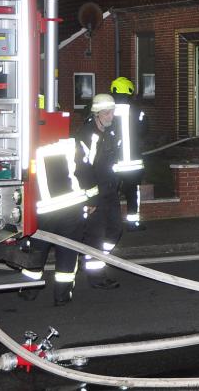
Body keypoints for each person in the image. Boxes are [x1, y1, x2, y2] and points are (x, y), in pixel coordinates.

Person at [17, 138, 90, 306]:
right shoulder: (72, 143)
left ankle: (29, 290)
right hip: (71, 207)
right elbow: (85, 171)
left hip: (43, 211)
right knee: (68, 254)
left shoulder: (28, 143)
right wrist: (92, 199)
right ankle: (62, 296)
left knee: (36, 252)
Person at [76, 93, 123, 290]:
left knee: (115, 230)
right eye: (107, 113)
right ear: (97, 114)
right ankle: (96, 277)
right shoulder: (87, 136)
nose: (111, 116)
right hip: (94, 196)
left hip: (110, 191)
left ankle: (87, 257)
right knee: (96, 235)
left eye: (112, 112)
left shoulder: (109, 133)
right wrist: (91, 198)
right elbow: (82, 168)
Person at [110, 76, 148, 231]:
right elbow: (145, 130)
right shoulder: (137, 111)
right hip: (133, 164)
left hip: (113, 163)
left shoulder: (107, 111)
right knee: (132, 194)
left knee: (110, 195)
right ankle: (133, 224)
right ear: (129, 91)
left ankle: (111, 224)